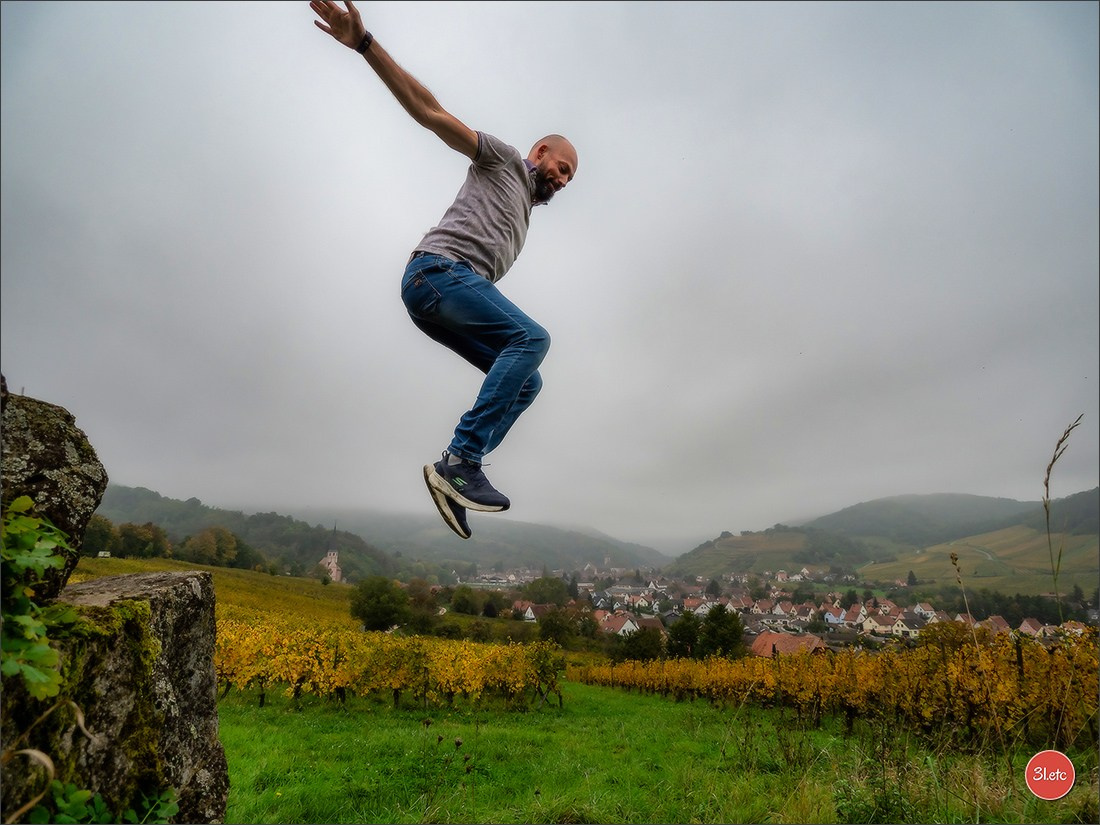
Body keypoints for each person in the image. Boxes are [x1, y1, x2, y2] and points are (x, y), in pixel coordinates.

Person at [310, 1, 578, 540]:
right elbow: (429, 110)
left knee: (529, 382)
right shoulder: (501, 160)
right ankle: (462, 459)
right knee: (532, 338)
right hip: (435, 273)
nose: (565, 180)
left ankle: (453, 475)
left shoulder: (524, 210)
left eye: (570, 178)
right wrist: (366, 46)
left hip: (439, 301)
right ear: (541, 151)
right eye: (563, 168)